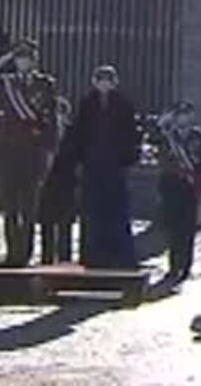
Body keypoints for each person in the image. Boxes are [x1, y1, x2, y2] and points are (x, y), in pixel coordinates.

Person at [0, 38, 60, 268]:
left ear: (35, 61)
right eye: (19, 57)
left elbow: (51, 118)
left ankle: (24, 254)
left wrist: (50, 149)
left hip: (33, 153)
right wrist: (4, 59)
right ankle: (12, 254)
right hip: (9, 151)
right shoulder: (6, 83)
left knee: (29, 208)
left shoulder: (45, 84)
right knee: (10, 208)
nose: (23, 61)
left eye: (27, 57)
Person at [67, 65, 140, 269]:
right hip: (93, 164)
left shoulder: (124, 105)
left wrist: (127, 157)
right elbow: (79, 133)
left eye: (108, 79)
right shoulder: (87, 103)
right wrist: (80, 158)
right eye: (100, 79)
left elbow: (131, 134)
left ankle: (119, 256)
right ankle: (93, 255)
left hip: (115, 164)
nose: (104, 84)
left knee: (117, 210)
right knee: (92, 211)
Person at [154, 100, 201, 286]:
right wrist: (164, 120)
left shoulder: (198, 136)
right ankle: (173, 265)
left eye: (187, 114)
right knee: (173, 228)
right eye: (180, 114)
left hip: (190, 187)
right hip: (171, 186)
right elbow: (153, 138)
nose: (184, 118)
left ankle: (186, 266)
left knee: (188, 229)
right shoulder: (168, 135)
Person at [38, 98, 78, 265]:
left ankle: (65, 258)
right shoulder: (42, 132)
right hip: (46, 182)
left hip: (66, 182)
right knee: (46, 222)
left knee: (65, 224)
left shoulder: (73, 133)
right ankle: (46, 258)